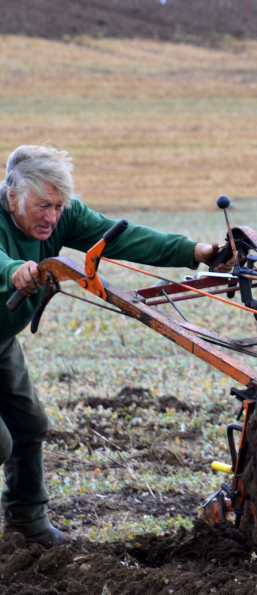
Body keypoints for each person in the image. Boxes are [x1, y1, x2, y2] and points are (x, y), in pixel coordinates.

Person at [0, 144, 222, 547]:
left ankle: (27, 524)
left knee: (29, 426)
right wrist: (14, 270)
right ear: (12, 197)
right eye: (42, 206)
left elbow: (124, 238)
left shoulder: (60, 217)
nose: (52, 217)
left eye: (58, 206)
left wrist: (194, 252)